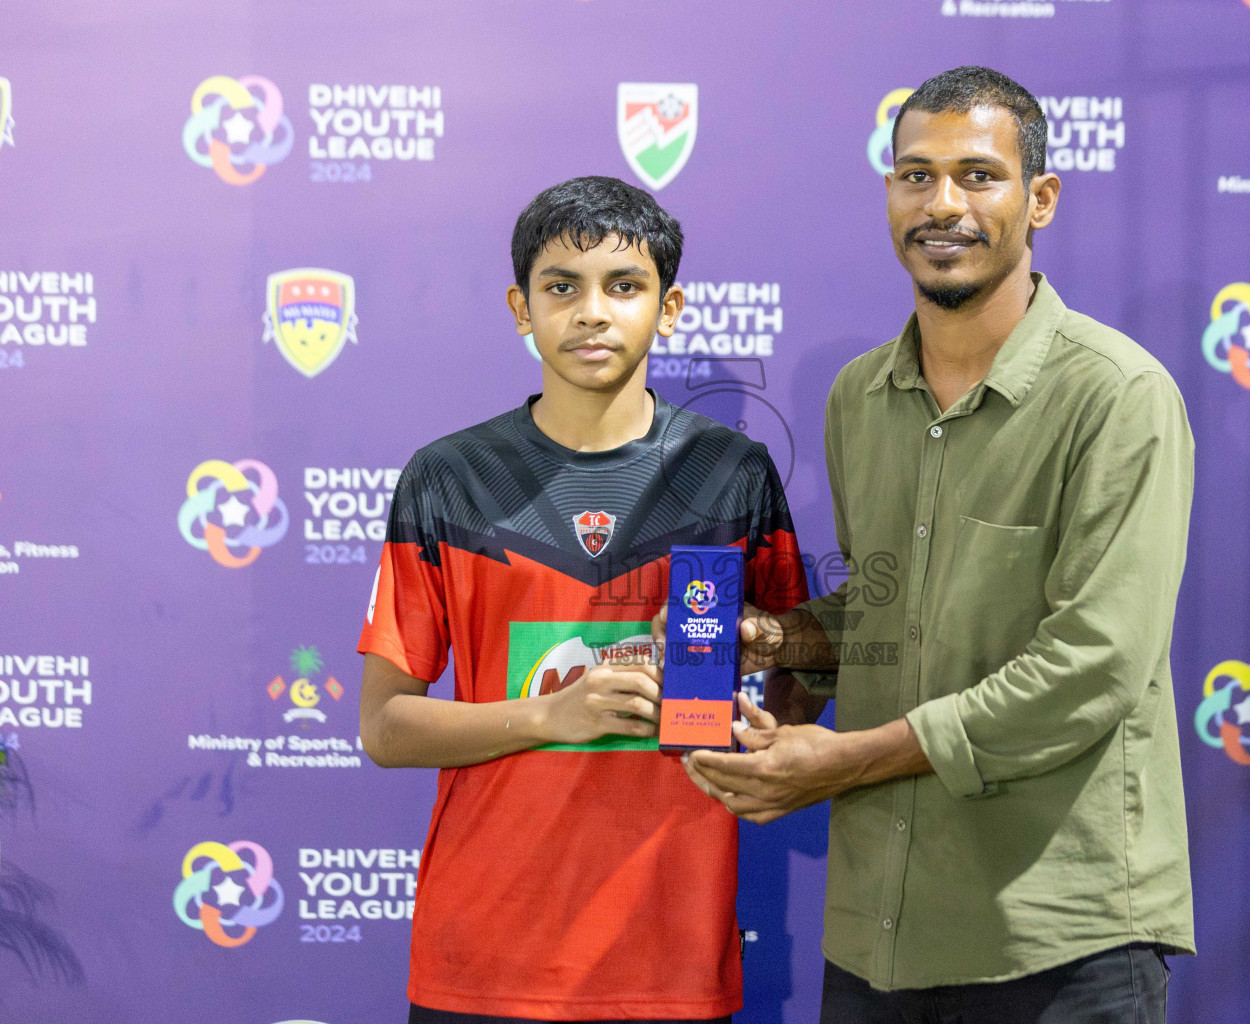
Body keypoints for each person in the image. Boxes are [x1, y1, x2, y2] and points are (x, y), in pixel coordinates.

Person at [673, 67, 1196, 1023]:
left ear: (1039, 200)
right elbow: (889, 607)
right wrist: (781, 642)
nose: (941, 204)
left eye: (976, 176)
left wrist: (847, 761)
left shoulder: (1118, 397)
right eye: (915, 175)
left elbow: (1094, 664)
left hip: (1055, 938)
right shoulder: (858, 397)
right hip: (876, 935)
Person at [358, 176, 809, 1024]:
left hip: (670, 955)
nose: (592, 312)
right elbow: (384, 728)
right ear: (521, 308)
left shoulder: (730, 472)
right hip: (487, 955)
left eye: (624, 287)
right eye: (562, 287)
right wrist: (548, 716)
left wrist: (770, 678)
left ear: (668, 308)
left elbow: (807, 664)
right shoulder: (449, 478)